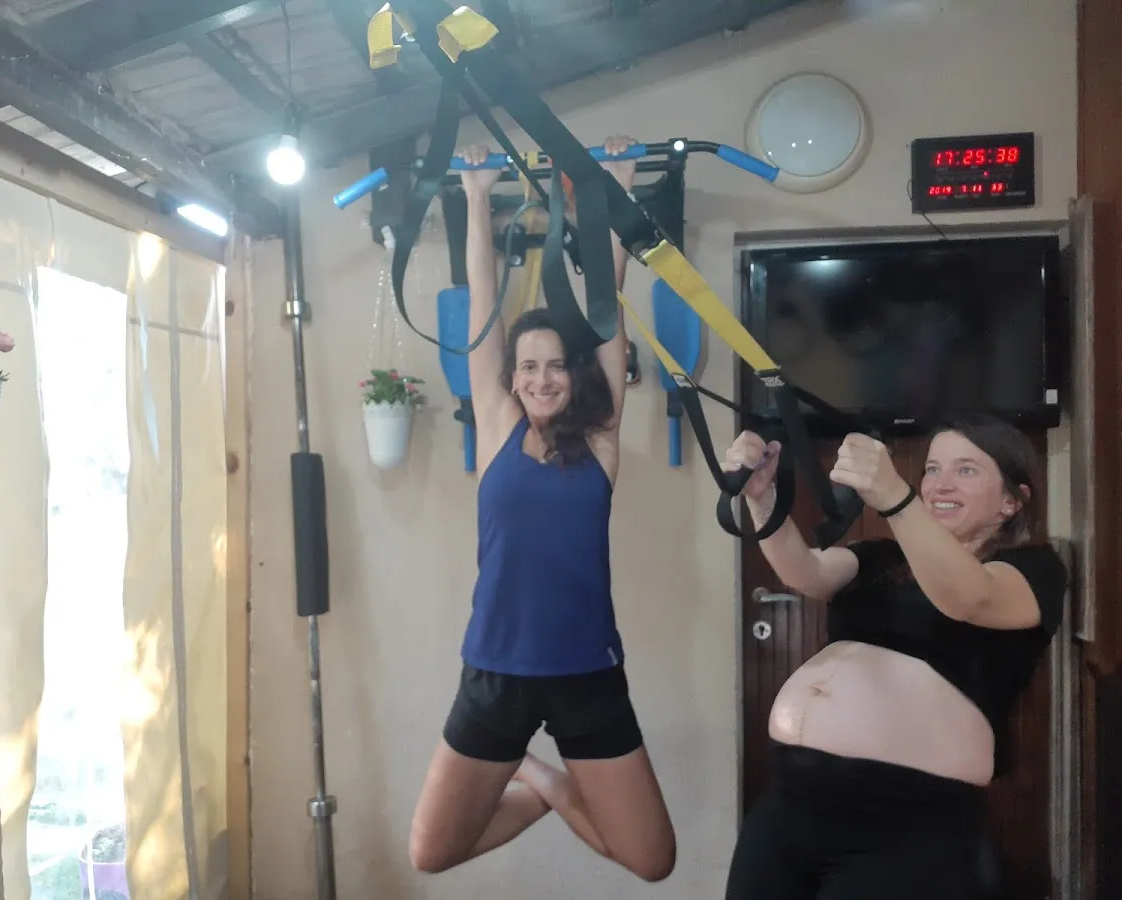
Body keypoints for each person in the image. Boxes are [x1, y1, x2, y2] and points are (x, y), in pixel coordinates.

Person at [407, 135, 677, 882]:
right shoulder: (498, 426)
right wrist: (473, 197)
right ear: (513, 377)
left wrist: (615, 187)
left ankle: (547, 781)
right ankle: (534, 771)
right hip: (494, 673)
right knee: (432, 852)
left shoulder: (601, 437)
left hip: (589, 676)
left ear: (575, 373)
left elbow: (607, 310)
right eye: (528, 366)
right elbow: (483, 309)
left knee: (651, 859)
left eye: (557, 365)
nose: (542, 377)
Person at [721, 414, 1068, 900]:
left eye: (966, 470)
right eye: (932, 469)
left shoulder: (1032, 569)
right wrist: (763, 501)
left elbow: (969, 597)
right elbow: (806, 572)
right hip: (793, 796)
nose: (941, 484)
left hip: (907, 816)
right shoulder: (884, 556)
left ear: (1012, 501)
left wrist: (895, 498)